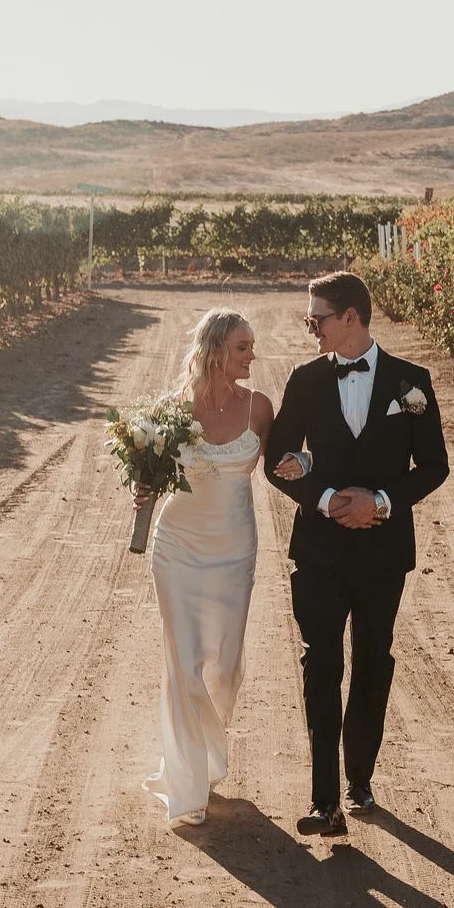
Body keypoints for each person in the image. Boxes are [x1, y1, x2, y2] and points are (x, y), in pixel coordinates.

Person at [265, 272, 449, 838]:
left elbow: (435, 465)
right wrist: (322, 499)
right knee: (321, 664)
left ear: (350, 317)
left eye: (315, 318)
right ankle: (324, 801)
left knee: (372, 662)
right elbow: (278, 455)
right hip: (319, 552)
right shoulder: (303, 380)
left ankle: (359, 779)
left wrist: (383, 503)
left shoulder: (410, 383)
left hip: (382, 553)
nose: (310, 328)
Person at [138, 307, 301, 827]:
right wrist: (142, 485)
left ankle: (203, 752)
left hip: (235, 552)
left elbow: (285, 464)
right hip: (177, 547)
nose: (252, 355)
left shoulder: (259, 407)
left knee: (223, 667)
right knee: (181, 662)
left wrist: (311, 467)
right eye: (242, 348)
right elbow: (155, 477)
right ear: (214, 352)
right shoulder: (173, 409)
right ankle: (186, 787)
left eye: (252, 346)